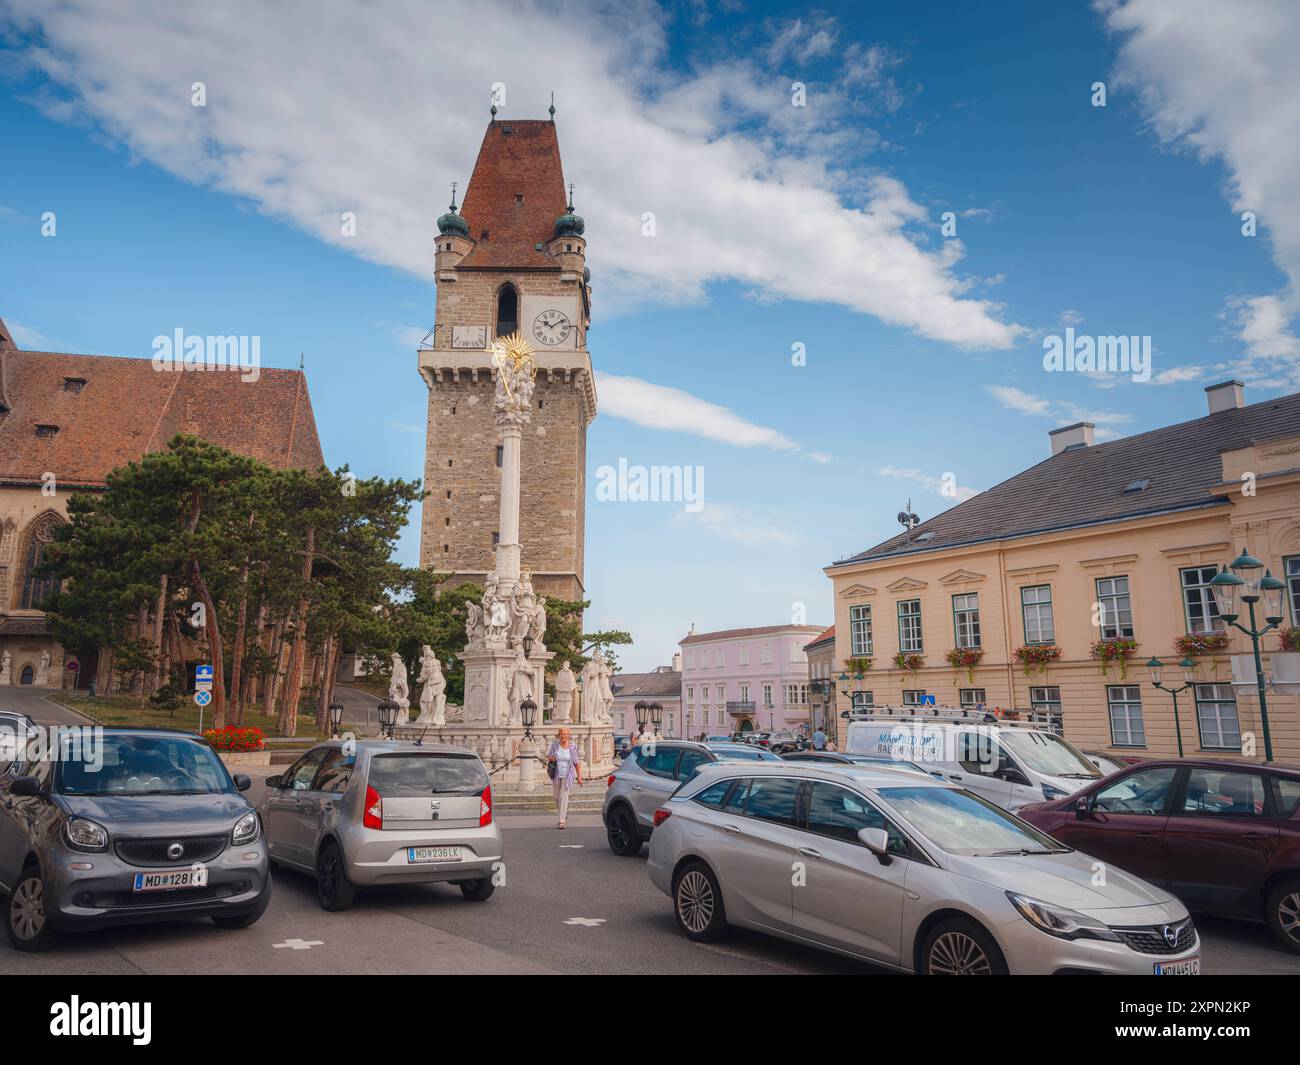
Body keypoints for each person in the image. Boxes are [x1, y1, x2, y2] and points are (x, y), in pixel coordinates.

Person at [546, 727, 582, 829]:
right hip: (556, 775)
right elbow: (549, 756)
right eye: (562, 734)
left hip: (568, 775)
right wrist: (551, 758)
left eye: (566, 734)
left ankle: (562, 820)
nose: (564, 736)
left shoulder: (572, 747)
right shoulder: (555, 745)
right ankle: (563, 813)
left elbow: (576, 763)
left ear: (568, 735)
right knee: (556, 797)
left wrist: (579, 776)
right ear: (559, 735)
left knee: (564, 797)